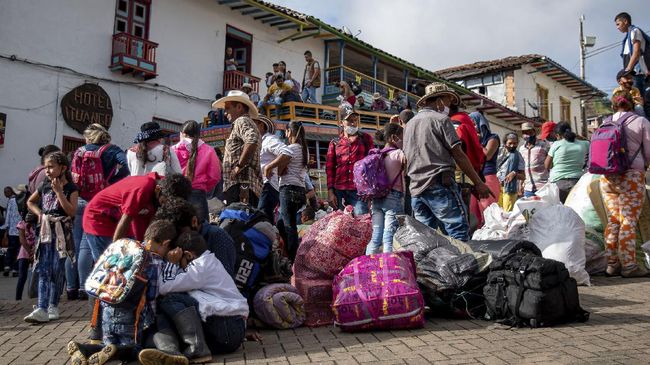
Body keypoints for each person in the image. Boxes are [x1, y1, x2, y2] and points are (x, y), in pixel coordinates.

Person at [79, 173, 191, 341]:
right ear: (159, 190)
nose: (166, 205)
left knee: (133, 270)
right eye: (165, 201)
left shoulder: (160, 191)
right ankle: (97, 331)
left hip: (122, 222)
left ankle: (127, 325)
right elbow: (126, 220)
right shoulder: (142, 188)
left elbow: (147, 231)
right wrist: (115, 255)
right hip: (99, 221)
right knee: (108, 276)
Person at [67, 220, 177, 365]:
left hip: (107, 308)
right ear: (165, 243)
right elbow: (151, 296)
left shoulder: (128, 250)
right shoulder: (154, 261)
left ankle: (85, 349)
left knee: (108, 346)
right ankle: (115, 352)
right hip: (131, 316)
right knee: (132, 350)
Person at [141, 231, 248, 364]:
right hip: (228, 329)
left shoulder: (201, 266)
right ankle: (170, 352)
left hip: (227, 330)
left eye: (182, 259)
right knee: (167, 308)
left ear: (188, 255)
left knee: (170, 299)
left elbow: (164, 287)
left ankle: (198, 349)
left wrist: (171, 263)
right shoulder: (208, 262)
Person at [403, 83, 492, 242]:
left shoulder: (409, 124)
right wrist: (478, 182)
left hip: (416, 188)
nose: (449, 107)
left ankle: (429, 266)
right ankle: (463, 265)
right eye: (448, 102)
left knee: (425, 238)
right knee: (458, 231)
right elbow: (459, 154)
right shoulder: (442, 120)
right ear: (439, 101)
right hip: (439, 184)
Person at [72, 123, 129, 300]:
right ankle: (103, 286)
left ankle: (78, 287)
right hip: (102, 201)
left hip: (80, 200)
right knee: (101, 245)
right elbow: (127, 163)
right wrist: (114, 179)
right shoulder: (111, 150)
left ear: (88, 137)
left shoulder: (79, 151)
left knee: (81, 246)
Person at [600, 90, 650, 277]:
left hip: (607, 178)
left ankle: (612, 264)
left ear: (613, 105)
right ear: (632, 104)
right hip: (632, 177)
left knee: (614, 219)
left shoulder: (605, 123)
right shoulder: (641, 122)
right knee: (628, 220)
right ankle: (629, 266)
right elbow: (649, 152)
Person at [24, 151, 78, 323]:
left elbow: (71, 211)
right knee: (44, 269)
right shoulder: (44, 186)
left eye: (51, 167)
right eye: (45, 167)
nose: (47, 171)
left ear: (62, 168)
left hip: (62, 232)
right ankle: (41, 307)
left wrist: (60, 192)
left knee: (57, 269)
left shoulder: (71, 188)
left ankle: (53, 304)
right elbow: (30, 202)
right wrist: (40, 214)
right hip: (45, 231)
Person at [153, 197, 236, 277]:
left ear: (194, 222)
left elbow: (224, 277)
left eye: (180, 234)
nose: (177, 241)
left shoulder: (217, 237)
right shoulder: (173, 241)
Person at [263, 121, 308, 261]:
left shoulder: (292, 148)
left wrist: (270, 167)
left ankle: (294, 260)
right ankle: (290, 252)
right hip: (300, 190)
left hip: (288, 189)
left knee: (289, 227)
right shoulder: (303, 149)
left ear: (289, 132)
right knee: (282, 224)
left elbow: (281, 171)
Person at [213, 91, 262, 207]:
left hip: (241, 184)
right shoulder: (247, 123)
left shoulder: (241, 121)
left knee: (238, 219)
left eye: (228, 108)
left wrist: (238, 167)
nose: (225, 113)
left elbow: (252, 140)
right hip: (244, 184)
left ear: (239, 107)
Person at [326, 102, 373, 216]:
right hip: (339, 191)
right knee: (340, 225)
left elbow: (372, 165)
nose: (353, 123)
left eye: (355, 120)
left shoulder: (365, 139)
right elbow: (330, 169)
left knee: (362, 222)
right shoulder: (335, 143)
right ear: (342, 123)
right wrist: (331, 192)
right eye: (349, 120)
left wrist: (370, 192)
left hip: (359, 191)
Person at [366, 123, 405, 255]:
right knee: (389, 237)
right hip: (393, 197)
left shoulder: (377, 154)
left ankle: (368, 264)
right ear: (394, 138)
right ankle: (387, 269)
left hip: (376, 199)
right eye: (402, 137)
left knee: (376, 237)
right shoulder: (399, 153)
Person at [171, 120, 221, 222]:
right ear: (199, 134)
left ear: (182, 134)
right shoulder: (209, 150)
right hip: (198, 194)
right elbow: (215, 176)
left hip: (176, 194)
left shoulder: (172, 150)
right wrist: (204, 188)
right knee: (201, 229)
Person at [544, 122, 589, 203]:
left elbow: (547, 165)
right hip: (577, 182)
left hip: (558, 183)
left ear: (558, 135)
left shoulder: (556, 144)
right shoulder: (585, 144)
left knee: (560, 211)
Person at [615, 12, 649, 116]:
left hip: (637, 73)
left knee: (639, 102)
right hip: (632, 74)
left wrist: (628, 69)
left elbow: (636, 52)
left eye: (618, 24)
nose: (617, 27)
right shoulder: (627, 38)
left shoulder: (635, 31)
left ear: (625, 21)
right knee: (631, 102)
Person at [470, 111, 500, 223]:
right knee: (474, 211)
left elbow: (487, 156)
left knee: (488, 210)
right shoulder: (472, 140)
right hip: (474, 178)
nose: (473, 127)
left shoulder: (493, 138)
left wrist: (476, 142)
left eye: (474, 123)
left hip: (488, 177)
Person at [255, 116, 285, 221]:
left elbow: (285, 152)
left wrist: (270, 167)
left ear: (261, 125)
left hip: (268, 185)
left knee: (262, 216)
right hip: (261, 186)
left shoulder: (270, 140)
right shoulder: (258, 142)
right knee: (264, 218)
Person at [496, 133, 526, 212]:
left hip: (509, 189)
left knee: (507, 214)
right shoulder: (498, 152)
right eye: (510, 143)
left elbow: (523, 176)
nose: (512, 145)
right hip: (496, 187)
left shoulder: (518, 156)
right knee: (497, 212)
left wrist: (514, 174)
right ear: (505, 143)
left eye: (515, 143)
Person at [519, 122, 550, 197]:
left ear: (534, 132)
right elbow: (522, 168)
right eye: (525, 133)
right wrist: (520, 184)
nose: (527, 135)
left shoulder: (544, 145)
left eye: (530, 132)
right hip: (528, 187)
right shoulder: (522, 149)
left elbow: (550, 163)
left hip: (542, 186)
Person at [15, 212, 36, 300]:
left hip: (36, 251)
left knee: (36, 276)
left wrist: (34, 251)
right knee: (22, 277)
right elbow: (22, 239)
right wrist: (30, 252)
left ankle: (34, 295)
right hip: (24, 252)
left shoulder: (38, 224)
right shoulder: (22, 224)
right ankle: (18, 298)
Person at [1, 186, 20, 277]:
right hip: (20, 229)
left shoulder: (12, 201)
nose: (5, 194)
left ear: (10, 191)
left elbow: (8, 215)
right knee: (17, 249)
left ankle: (8, 266)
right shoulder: (19, 200)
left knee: (11, 249)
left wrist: (5, 227)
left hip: (13, 230)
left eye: (6, 192)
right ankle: (15, 269)